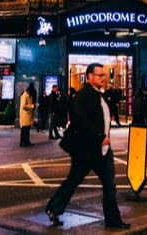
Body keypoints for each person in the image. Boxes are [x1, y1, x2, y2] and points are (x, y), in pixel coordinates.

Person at [44, 63, 130, 229]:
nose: (103, 78)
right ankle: (53, 208)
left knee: (110, 185)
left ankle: (113, 221)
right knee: (73, 181)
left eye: (104, 75)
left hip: (103, 151)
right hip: (85, 150)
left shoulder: (101, 95)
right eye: (99, 75)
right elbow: (79, 120)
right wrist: (99, 136)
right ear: (89, 76)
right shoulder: (83, 96)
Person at [20, 83, 36, 147]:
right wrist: (32, 106)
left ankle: (27, 141)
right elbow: (24, 106)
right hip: (25, 115)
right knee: (24, 130)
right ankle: (23, 142)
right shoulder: (24, 96)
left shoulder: (28, 95)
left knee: (27, 129)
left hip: (28, 115)